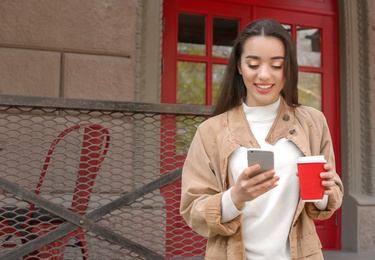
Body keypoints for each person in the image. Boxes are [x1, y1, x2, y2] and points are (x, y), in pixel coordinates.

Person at [179, 18, 343, 260]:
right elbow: (193, 209)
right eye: (253, 64)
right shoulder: (211, 131)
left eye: (276, 65)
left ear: (288, 68)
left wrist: (324, 192)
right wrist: (236, 197)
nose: (264, 75)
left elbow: (326, 201)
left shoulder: (312, 122)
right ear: (239, 66)